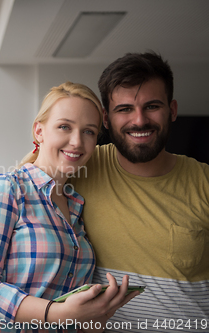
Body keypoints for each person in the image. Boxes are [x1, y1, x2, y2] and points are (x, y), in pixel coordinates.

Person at [0, 82, 140, 333]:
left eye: (89, 131)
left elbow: (71, 311)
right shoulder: (8, 189)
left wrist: (95, 316)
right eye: (64, 127)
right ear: (39, 131)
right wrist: (55, 314)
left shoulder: (77, 205)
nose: (77, 142)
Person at [69, 52, 209, 332]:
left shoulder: (204, 181)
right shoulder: (82, 166)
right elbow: (23, 180)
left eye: (152, 106)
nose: (139, 120)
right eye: (124, 109)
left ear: (172, 110)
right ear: (106, 119)